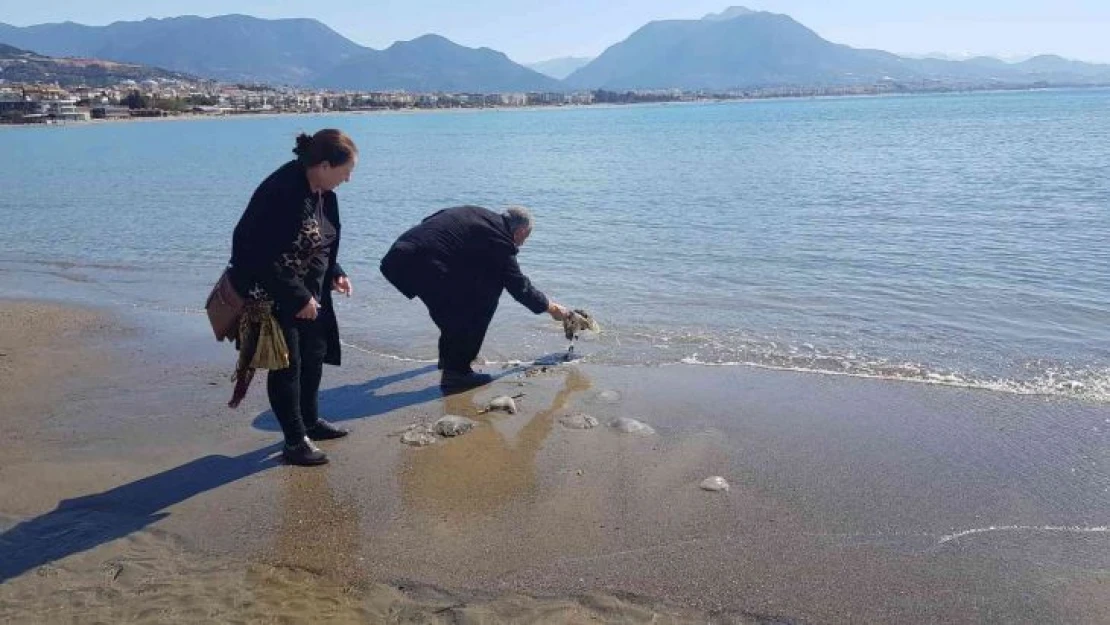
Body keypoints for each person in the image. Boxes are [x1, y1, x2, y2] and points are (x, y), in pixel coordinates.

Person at [227, 129, 357, 466]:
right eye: (346, 171)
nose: (348, 179)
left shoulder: (325, 193)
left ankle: (311, 421)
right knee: (288, 365)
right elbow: (255, 251)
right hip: (271, 293)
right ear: (325, 165)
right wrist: (298, 296)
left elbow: (324, 240)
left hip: (309, 289)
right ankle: (294, 440)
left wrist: (335, 272)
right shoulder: (282, 192)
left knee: (315, 354)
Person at [380, 205, 568, 390]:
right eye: (525, 238)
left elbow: (431, 223)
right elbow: (519, 287)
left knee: (457, 305)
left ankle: (451, 362)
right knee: (480, 303)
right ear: (520, 231)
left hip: (398, 257)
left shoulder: (477, 215)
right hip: (421, 263)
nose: (522, 244)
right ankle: (456, 374)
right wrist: (551, 308)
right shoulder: (500, 240)